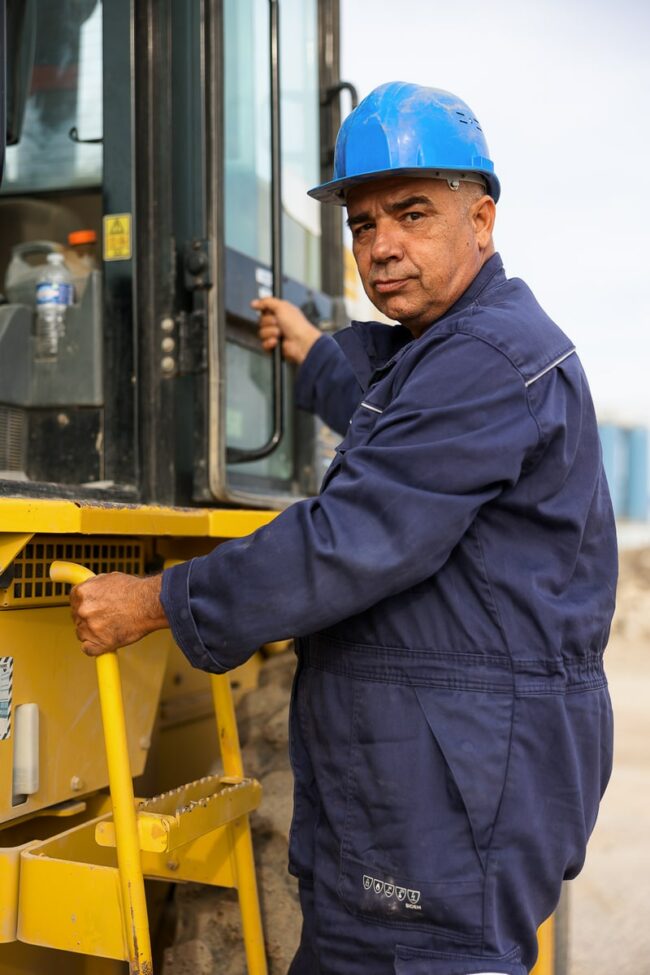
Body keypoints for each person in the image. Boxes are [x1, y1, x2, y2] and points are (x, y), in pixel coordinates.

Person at [70, 82, 617, 975]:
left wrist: (158, 599)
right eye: (362, 225)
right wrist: (312, 350)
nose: (381, 245)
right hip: (431, 785)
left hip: (450, 802)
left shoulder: (486, 359)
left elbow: (348, 537)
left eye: (412, 213)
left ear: (481, 218)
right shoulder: (455, 349)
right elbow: (394, 401)